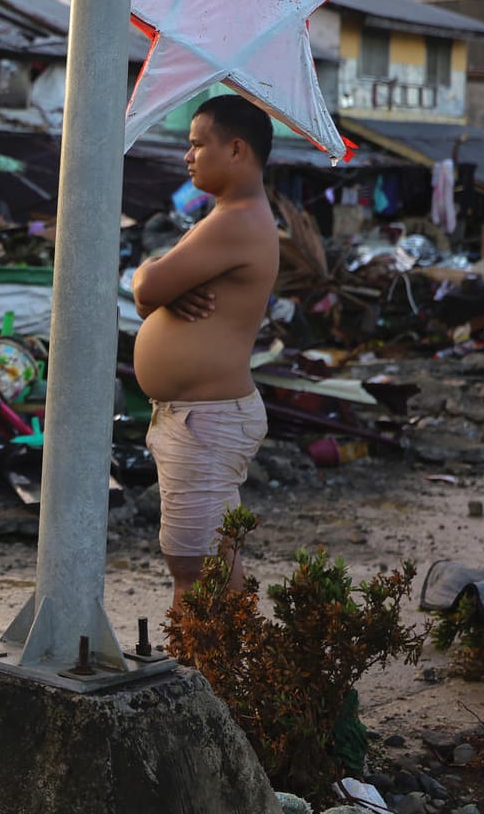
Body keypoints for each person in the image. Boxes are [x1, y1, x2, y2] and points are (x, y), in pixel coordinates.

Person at [130, 95, 277, 614]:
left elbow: (146, 288)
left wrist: (155, 277)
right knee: (205, 562)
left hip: (207, 417)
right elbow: (153, 283)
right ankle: (218, 678)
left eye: (196, 144)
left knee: (199, 566)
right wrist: (158, 278)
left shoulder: (236, 219)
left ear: (236, 150)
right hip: (199, 415)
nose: (187, 156)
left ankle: (211, 683)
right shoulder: (226, 217)